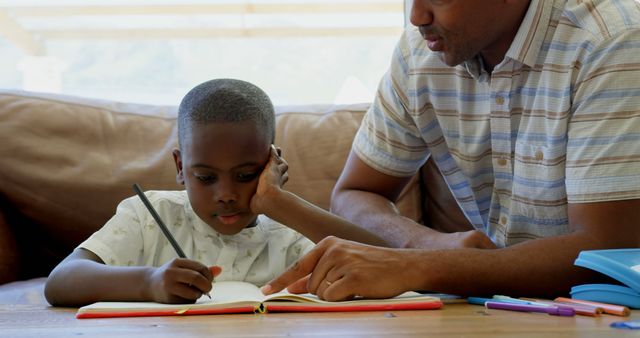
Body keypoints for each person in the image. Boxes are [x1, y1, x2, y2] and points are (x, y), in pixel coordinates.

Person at [261, 0, 640, 301]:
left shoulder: (613, 41)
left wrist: (426, 267)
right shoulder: (419, 55)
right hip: (501, 308)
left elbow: (608, 251)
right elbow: (355, 193)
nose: (416, 16)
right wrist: (423, 244)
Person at [44, 78, 386, 306]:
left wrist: (277, 201)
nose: (226, 194)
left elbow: (389, 262)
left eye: (246, 175)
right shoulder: (148, 215)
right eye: (206, 177)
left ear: (272, 164)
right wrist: (149, 282)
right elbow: (61, 281)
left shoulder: (290, 232)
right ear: (180, 167)